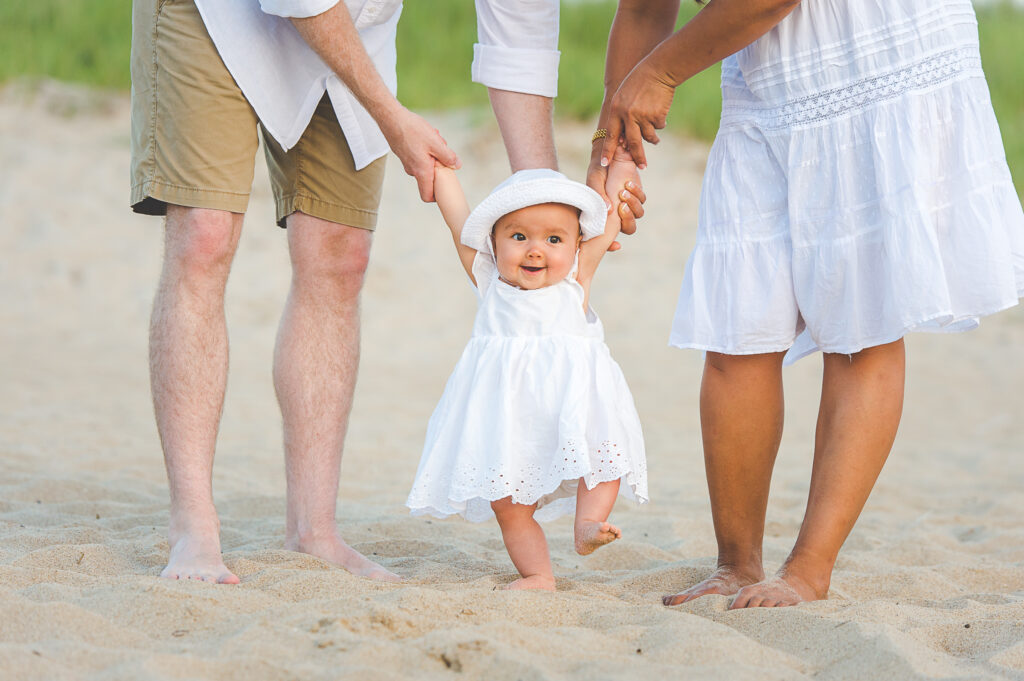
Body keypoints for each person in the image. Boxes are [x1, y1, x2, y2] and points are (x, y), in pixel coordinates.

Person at [589, 0, 1024, 608]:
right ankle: (736, 564)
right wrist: (610, 153)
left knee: (860, 326)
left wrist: (661, 75)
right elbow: (644, 5)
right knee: (738, 328)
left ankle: (808, 569)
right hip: (761, 70)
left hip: (874, 51)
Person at [405, 164, 649, 590]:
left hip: (573, 405)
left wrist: (618, 159)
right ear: (494, 243)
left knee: (605, 457)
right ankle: (538, 574)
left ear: (576, 247)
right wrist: (439, 170)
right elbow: (457, 218)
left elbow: (610, 214)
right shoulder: (489, 281)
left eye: (554, 240)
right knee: (510, 505)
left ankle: (588, 522)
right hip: (511, 419)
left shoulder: (576, 278)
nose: (536, 251)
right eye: (519, 237)